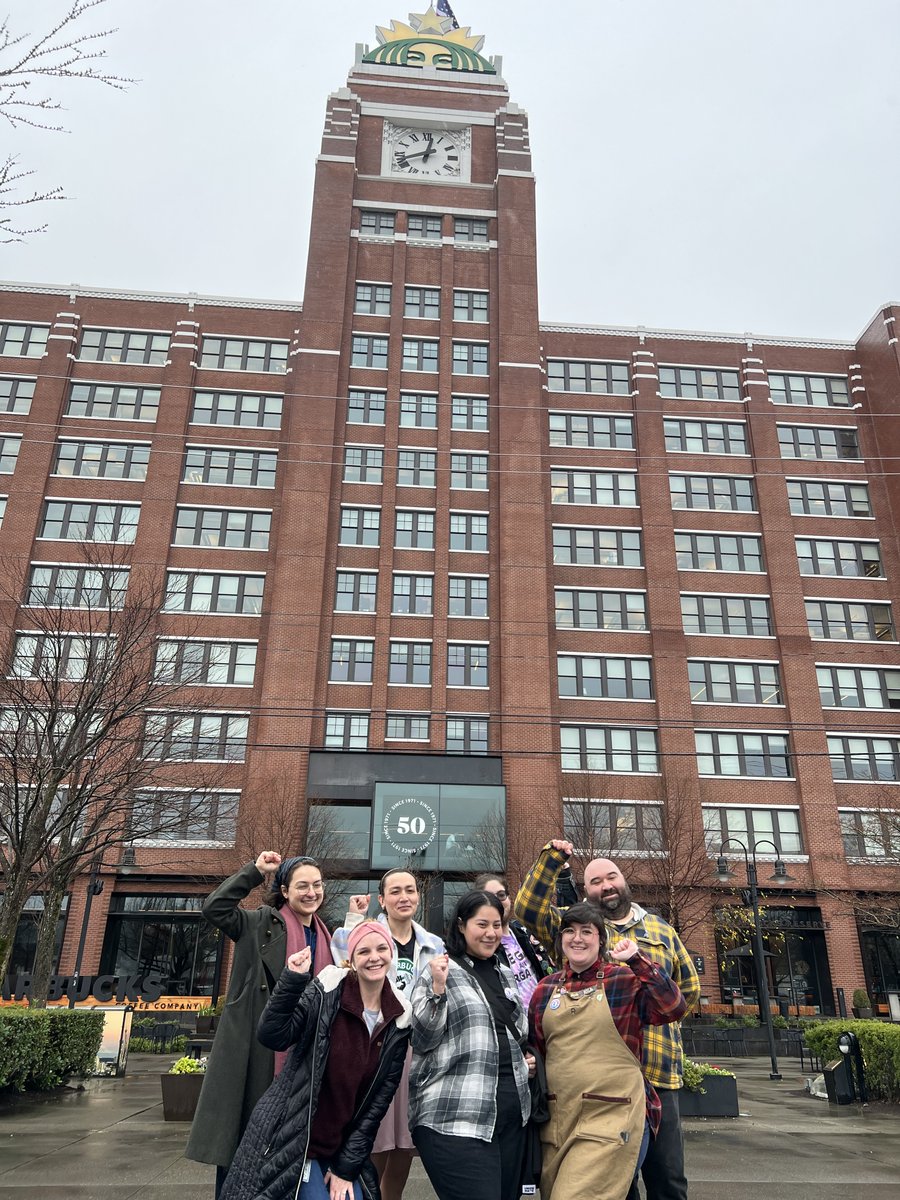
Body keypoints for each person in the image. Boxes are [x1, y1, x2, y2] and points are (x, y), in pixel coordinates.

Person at [514, 841, 701, 1200]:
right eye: (595, 881)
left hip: (656, 1073)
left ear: (624, 880)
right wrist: (553, 859)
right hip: (592, 1090)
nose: (606, 885)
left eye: (611, 876)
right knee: (613, 1186)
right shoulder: (578, 927)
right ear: (586, 893)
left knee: (668, 1179)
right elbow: (528, 910)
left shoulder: (661, 930)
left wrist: (644, 1015)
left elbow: (686, 991)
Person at [220, 921, 411, 1200]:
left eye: (381, 948)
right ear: (352, 960)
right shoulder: (327, 993)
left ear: (391, 953)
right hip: (295, 1138)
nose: (374, 957)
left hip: (339, 1147)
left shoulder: (399, 1019)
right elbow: (273, 1035)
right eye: (364, 951)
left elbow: (375, 1107)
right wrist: (292, 980)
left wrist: (346, 1167)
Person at [186, 853, 334, 1195]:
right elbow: (215, 908)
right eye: (302, 886)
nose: (311, 892)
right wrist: (254, 872)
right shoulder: (259, 924)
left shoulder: (327, 936)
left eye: (317, 885)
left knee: (286, 1154)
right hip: (256, 1054)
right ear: (284, 890)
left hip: (303, 1059)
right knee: (244, 1148)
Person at [408, 890, 534, 1200]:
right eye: (482, 924)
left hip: (511, 1117)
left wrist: (525, 1060)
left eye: (497, 925)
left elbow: (516, 1032)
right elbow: (422, 1037)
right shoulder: (441, 970)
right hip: (455, 1117)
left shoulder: (505, 973)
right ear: (462, 926)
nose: (491, 933)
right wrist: (437, 990)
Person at [330, 870, 444, 1200]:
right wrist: (354, 918)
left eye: (410, 890)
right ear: (383, 899)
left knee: (404, 1144)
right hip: (376, 1049)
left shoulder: (434, 944)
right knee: (375, 1137)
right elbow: (342, 957)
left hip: (416, 1051)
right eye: (395, 891)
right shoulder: (369, 934)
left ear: (418, 898)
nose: (403, 897)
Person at [473, 872, 552, 1009]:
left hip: (542, 1018)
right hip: (515, 1024)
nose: (497, 901)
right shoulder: (482, 947)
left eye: (501, 895)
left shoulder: (525, 934)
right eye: (489, 897)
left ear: (509, 899)